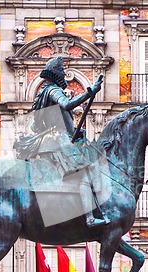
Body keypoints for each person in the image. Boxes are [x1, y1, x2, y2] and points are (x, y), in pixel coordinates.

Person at [16, 56, 109, 227]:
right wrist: (90, 92)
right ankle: (89, 218)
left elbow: (38, 125)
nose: (65, 74)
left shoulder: (43, 92)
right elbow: (67, 104)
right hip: (57, 139)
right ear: (57, 74)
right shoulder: (53, 90)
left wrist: (74, 132)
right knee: (87, 170)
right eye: (62, 71)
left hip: (51, 139)